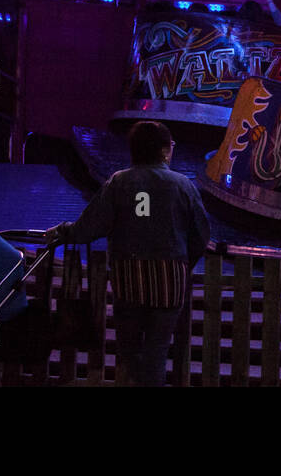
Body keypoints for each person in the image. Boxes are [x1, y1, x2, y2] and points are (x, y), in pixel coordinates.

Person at [46, 121, 211, 387]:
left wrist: (63, 231)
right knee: (156, 354)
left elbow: (91, 226)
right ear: (164, 151)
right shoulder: (183, 185)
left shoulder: (119, 182)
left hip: (129, 280)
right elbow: (201, 235)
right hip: (170, 282)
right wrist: (183, 264)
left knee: (129, 351)